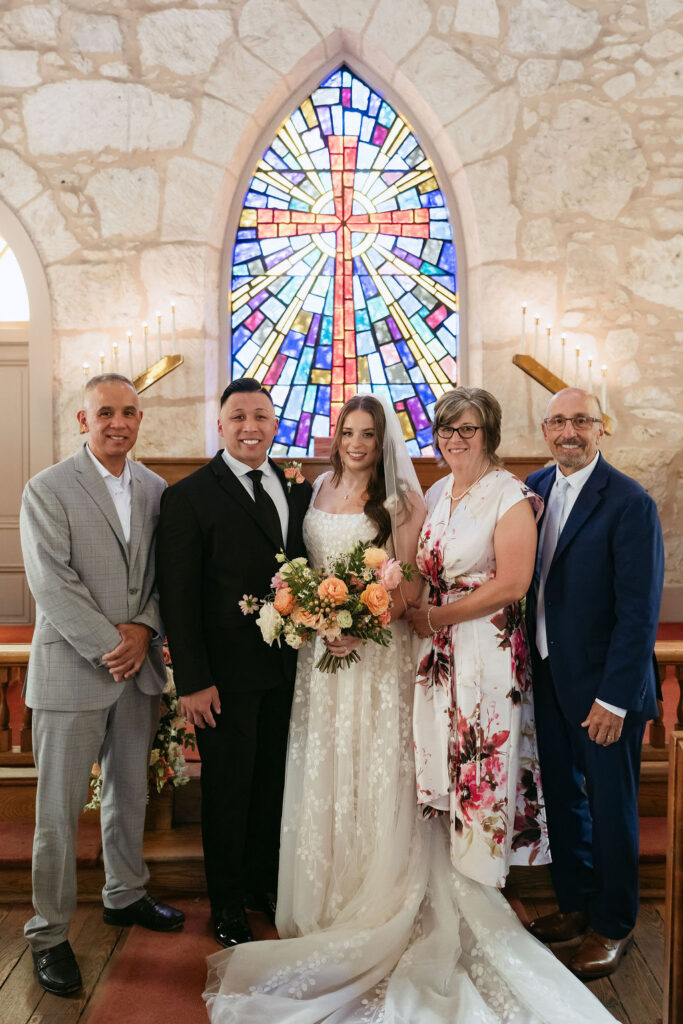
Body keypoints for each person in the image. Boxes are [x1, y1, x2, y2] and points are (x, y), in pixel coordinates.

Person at [203, 392, 617, 1024]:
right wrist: (313, 612)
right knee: (331, 762)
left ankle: (431, 886)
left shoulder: (419, 498)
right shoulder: (318, 491)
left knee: (398, 766)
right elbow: (335, 569)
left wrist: (363, 620)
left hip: (404, 651)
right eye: (348, 431)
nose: (357, 442)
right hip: (335, 659)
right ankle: (328, 887)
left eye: (369, 433)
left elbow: (420, 582)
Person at [20, 373, 184, 998]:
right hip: (73, 669)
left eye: (129, 413)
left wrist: (143, 630)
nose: (119, 423)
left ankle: (124, 894)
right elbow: (51, 581)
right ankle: (49, 933)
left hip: (136, 672)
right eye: (106, 412)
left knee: (128, 794)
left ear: (140, 420)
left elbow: (166, 575)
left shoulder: (156, 489)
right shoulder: (48, 487)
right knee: (58, 813)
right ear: (83, 421)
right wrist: (113, 646)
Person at [155, 377, 312, 949]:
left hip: (288, 671)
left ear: (275, 425)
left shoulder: (297, 489)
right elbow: (178, 597)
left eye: (261, 416)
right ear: (220, 425)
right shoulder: (189, 496)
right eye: (239, 416)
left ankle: (260, 884)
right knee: (227, 791)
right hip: (222, 679)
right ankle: (225, 904)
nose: (250, 426)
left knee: (272, 785)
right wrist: (193, 681)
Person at [525, 387, 664, 980]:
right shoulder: (533, 487)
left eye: (581, 421)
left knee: (611, 808)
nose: (569, 432)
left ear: (600, 429)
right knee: (562, 801)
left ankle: (613, 924)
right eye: (558, 422)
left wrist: (614, 698)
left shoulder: (629, 502)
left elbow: (639, 611)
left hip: (605, 689)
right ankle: (575, 905)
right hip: (549, 674)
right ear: (545, 430)